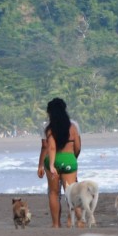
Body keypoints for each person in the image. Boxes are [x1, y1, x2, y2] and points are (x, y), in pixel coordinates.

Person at [37, 97, 82, 228]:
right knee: (71, 193)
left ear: (50, 112)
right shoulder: (73, 125)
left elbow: (46, 147)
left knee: (53, 193)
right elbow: (78, 147)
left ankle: (56, 224)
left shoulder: (47, 127)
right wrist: (72, 159)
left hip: (53, 161)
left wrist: (40, 165)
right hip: (69, 160)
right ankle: (76, 220)